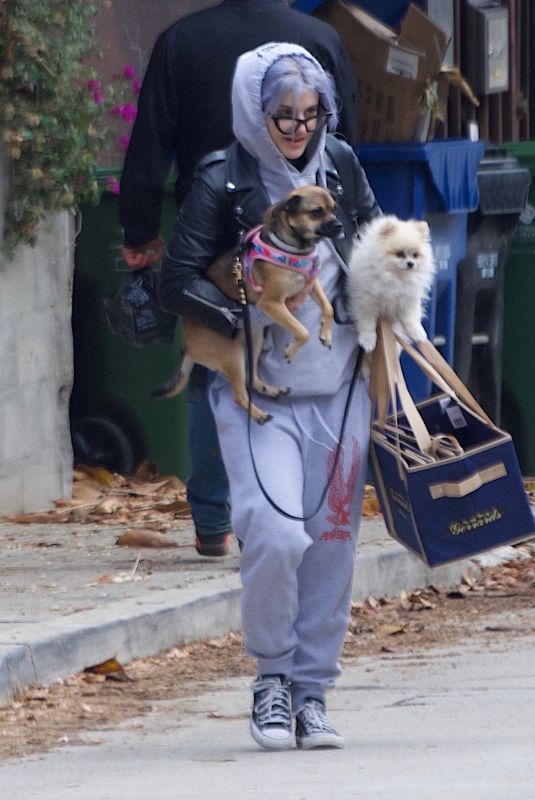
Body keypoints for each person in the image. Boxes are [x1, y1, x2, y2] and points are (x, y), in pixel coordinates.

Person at [158, 42, 381, 751]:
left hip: (340, 389)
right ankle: (270, 680)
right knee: (276, 532)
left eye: (309, 115)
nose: (296, 128)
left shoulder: (339, 165)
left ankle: (312, 692)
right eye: (283, 115)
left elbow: (372, 242)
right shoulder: (222, 178)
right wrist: (245, 308)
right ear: (257, 110)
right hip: (262, 390)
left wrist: (392, 298)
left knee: (332, 544)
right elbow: (177, 279)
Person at [119, 0, 359, 558]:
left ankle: (212, 518)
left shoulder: (181, 39)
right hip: (300, 230)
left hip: (208, 238)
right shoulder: (318, 38)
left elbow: (150, 143)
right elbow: (347, 138)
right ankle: (288, 509)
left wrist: (139, 229)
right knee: (298, 377)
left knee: (216, 372)